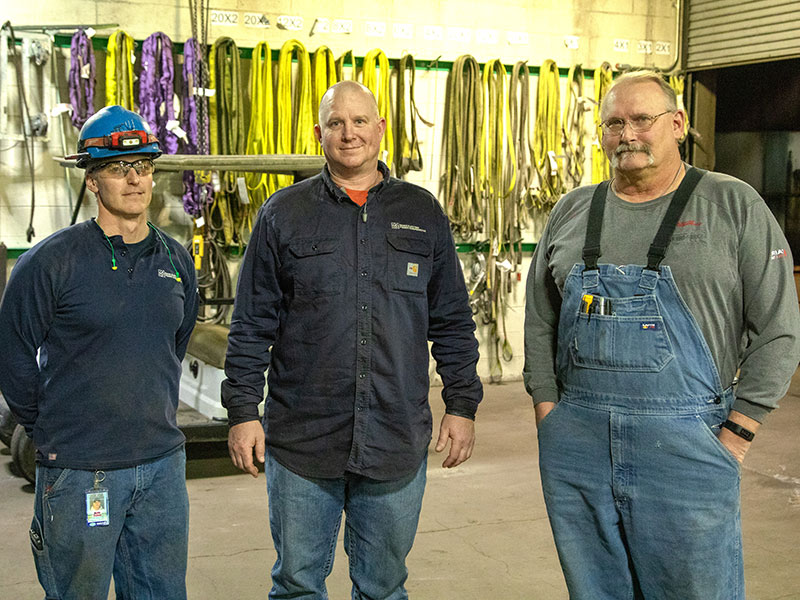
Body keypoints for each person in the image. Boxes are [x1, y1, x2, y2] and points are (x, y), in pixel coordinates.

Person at [523, 70, 800, 599]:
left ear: (677, 124)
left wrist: (738, 431)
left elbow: (780, 329)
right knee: (595, 588)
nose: (627, 134)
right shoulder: (572, 210)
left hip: (687, 443)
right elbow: (541, 318)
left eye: (642, 120)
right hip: (577, 442)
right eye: (613, 123)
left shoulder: (732, 204)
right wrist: (547, 410)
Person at [222, 80, 482, 599]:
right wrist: (243, 412)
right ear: (319, 134)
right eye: (336, 123)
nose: (349, 133)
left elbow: (451, 318)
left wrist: (463, 404)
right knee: (298, 583)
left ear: (381, 129)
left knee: (383, 587)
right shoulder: (283, 213)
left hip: (394, 436)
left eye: (360, 121)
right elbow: (252, 323)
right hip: (303, 440)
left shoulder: (423, 212)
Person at [0, 105, 198, 599]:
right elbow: (12, 353)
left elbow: (175, 342)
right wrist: (49, 426)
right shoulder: (50, 262)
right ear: (92, 180)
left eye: (144, 166)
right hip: (80, 472)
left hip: (161, 467)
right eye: (117, 169)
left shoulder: (175, 258)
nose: (134, 181)